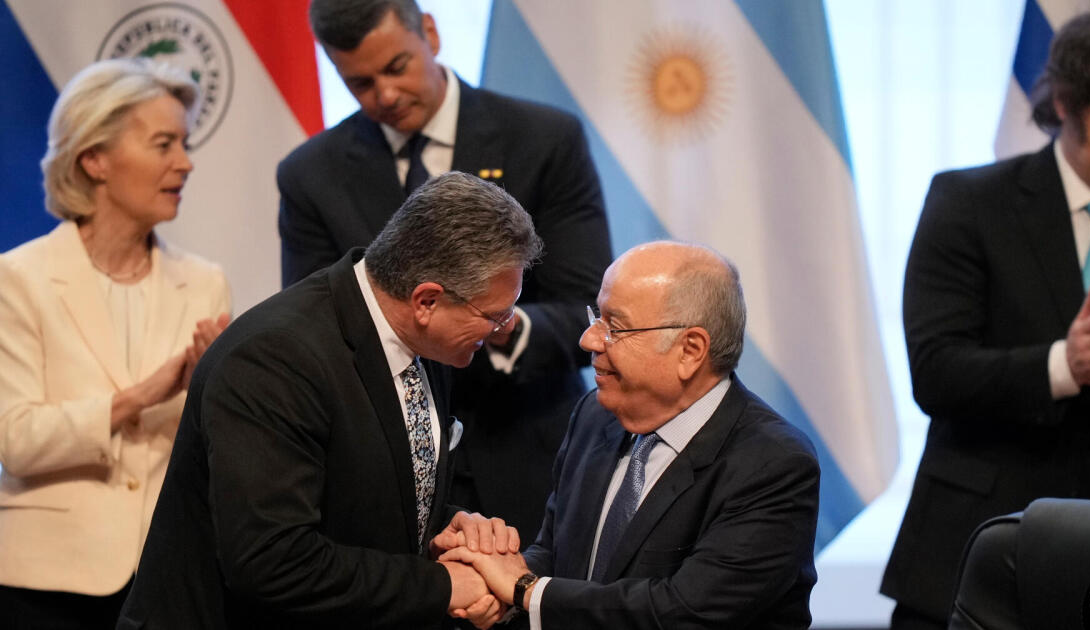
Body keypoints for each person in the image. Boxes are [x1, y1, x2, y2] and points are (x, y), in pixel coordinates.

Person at [881, 4, 1090, 628]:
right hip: (967, 556)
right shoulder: (967, 202)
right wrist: (1062, 365)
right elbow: (936, 373)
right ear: (1066, 102)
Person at [118, 172, 542, 629]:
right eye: (495, 316)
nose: (502, 330)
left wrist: (450, 528)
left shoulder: (425, 342)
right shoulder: (273, 361)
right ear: (426, 301)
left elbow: (368, 495)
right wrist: (443, 585)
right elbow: (273, 561)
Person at [277, 0, 612, 543]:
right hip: (379, 474)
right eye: (360, 83)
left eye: (396, 67)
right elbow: (315, 326)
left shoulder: (544, 139)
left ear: (430, 34)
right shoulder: (311, 175)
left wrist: (500, 326)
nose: (385, 95)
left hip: (526, 457)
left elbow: (587, 309)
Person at [438, 241, 821, 629]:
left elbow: (683, 613)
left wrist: (524, 590)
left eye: (614, 327)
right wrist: (497, 588)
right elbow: (556, 555)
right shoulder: (593, 416)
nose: (588, 340)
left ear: (690, 350)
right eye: (595, 317)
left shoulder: (773, 464)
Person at [0, 58, 230, 629]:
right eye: (163, 144)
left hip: (171, 578)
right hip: (44, 585)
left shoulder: (205, 282)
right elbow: (17, 441)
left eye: (184, 144)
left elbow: (218, 453)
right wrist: (143, 395)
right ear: (94, 159)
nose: (185, 162)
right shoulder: (18, 278)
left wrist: (220, 394)